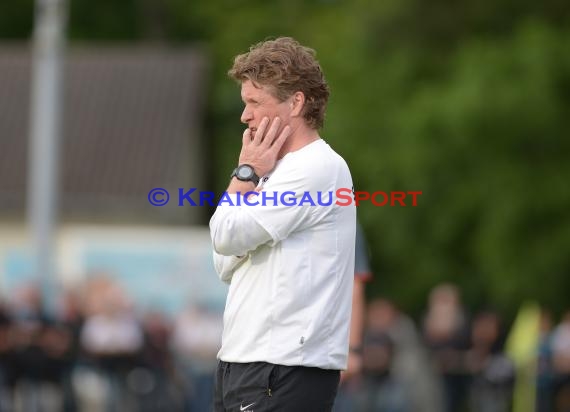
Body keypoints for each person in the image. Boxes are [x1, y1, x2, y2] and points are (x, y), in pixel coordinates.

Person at [209, 36, 356, 411]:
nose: (245, 116)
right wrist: (253, 180)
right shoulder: (273, 171)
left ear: (296, 102)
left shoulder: (316, 168)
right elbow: (223, 261)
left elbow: (226, 235)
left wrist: (244, 174)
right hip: (244, 359)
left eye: (254, 103)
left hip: (285, 365)